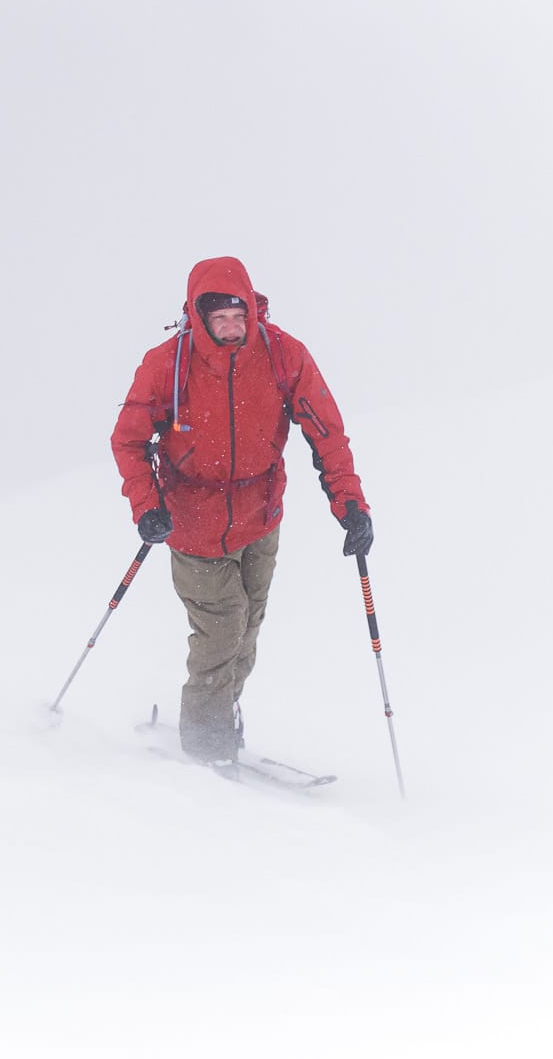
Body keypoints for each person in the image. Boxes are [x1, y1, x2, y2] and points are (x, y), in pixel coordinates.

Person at [110, 256, 373, 764]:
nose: (231, 328)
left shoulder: (282, 355)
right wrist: (148, 505)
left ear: (253, 312)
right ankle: (206, 747)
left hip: (260, 513)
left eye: (239, 317)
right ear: (198, 317)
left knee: (248, 626)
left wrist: (351, 505)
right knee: (221, 629)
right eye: (219, 319)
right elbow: (129, 440)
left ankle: (222, 715)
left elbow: (327, 433)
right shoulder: (169, 363)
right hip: (193, 520)